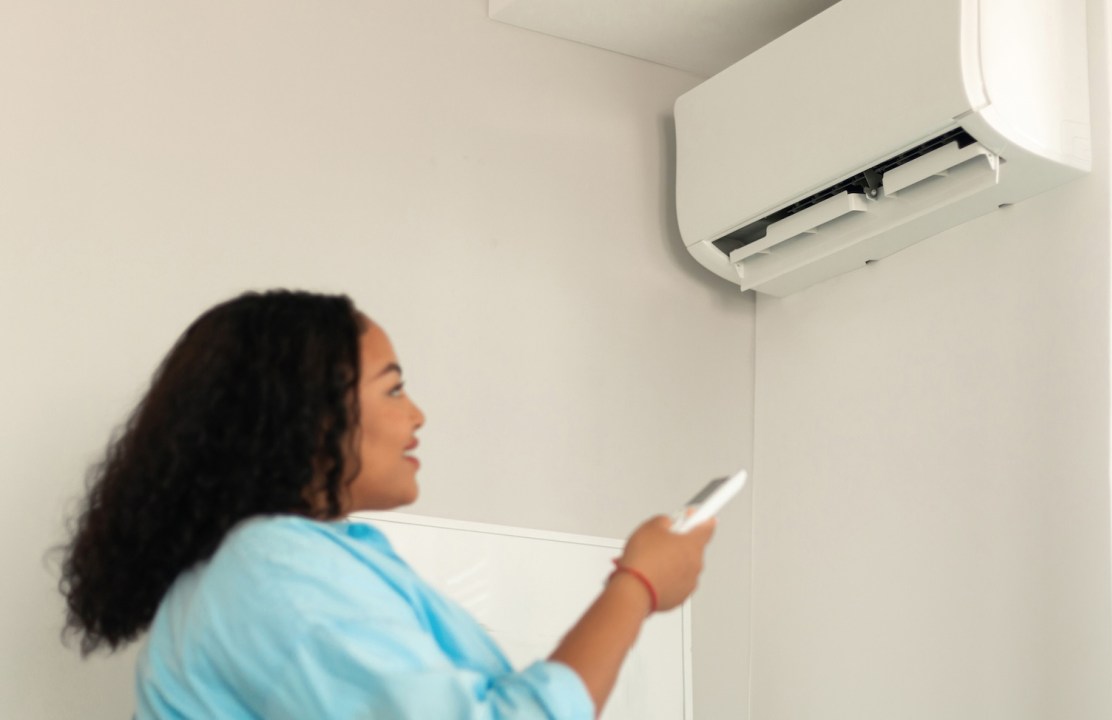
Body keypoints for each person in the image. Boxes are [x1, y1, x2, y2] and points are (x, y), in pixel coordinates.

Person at [59, 289, 715, 718]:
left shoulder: (286, 565)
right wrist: (637, 587)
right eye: (394, 389)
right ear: (311, 418)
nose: (418, 415)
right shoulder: (272, 569)